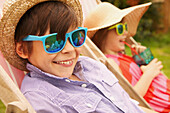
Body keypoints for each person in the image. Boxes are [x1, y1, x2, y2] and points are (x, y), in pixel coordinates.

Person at [0, 0, 158, 113]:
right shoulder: (40, 98)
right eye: (54, 42)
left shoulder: (91, 65)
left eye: (76, 37)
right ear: (22, 49)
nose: (69, 49)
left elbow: (126, 103)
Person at [84, 2, 170, 113]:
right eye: (120, 28)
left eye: (125, 27)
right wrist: (149, 74)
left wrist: (141, 61)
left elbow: (136, 76)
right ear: (103, 34)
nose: (125, 32)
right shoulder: (110, 63)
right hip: (161, 105)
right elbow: (128, 99)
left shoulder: (122, 57)